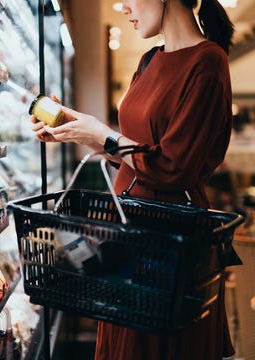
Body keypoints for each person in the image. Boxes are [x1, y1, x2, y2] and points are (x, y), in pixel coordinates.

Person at [31, 0, 236, 358]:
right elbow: (139, 155)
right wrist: (79, 130)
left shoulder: (208, 61)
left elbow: (172, 168)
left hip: (168, 242)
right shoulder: (149, 60)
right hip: (129, 233)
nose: (123, 6)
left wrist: (104, 136)